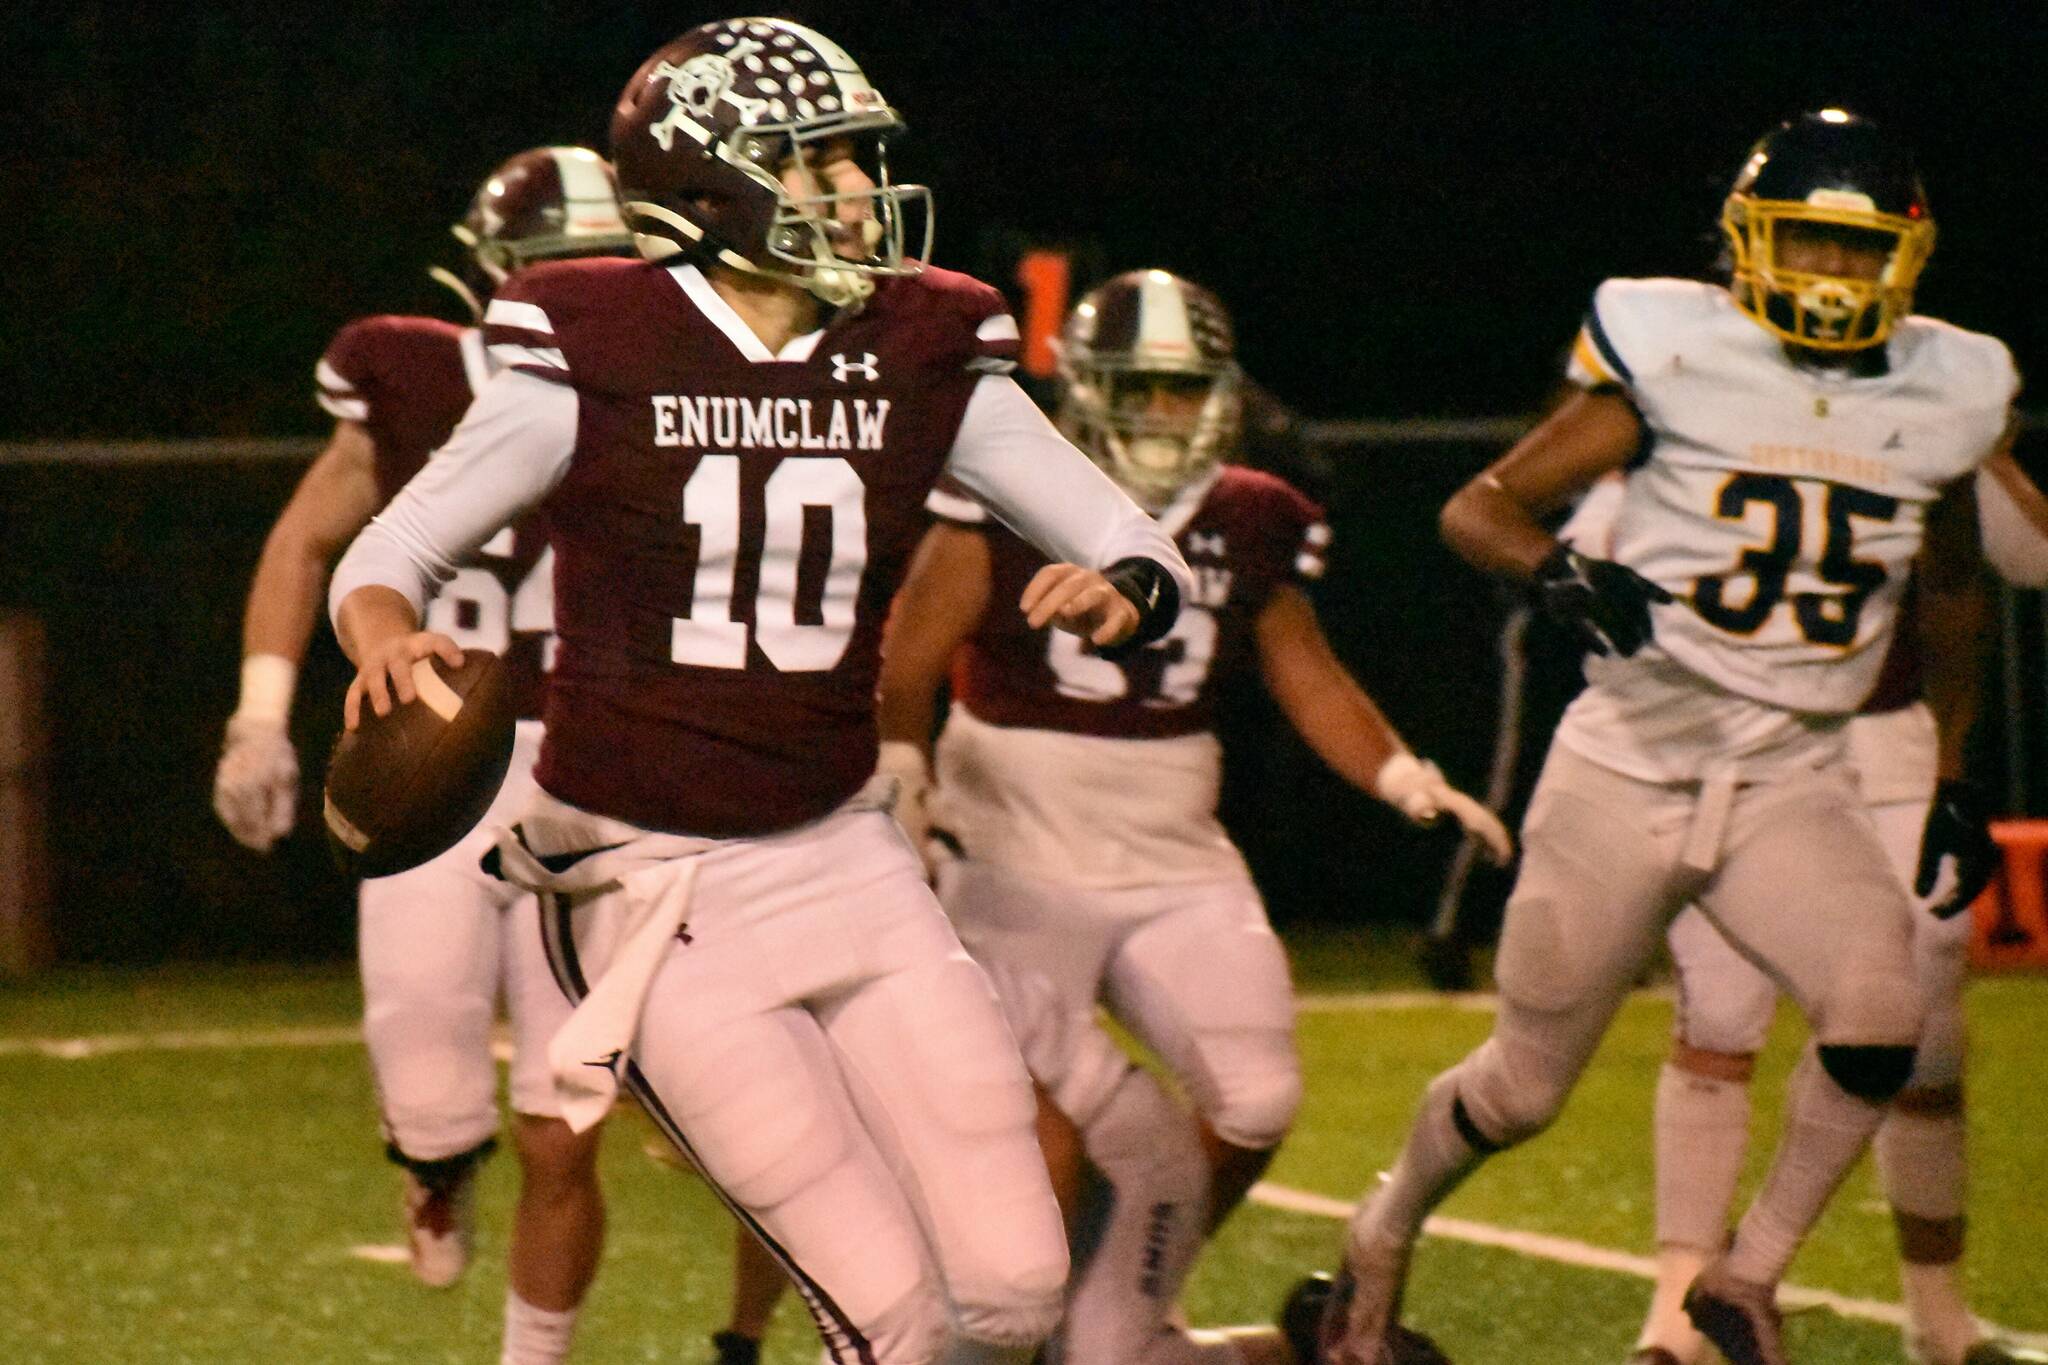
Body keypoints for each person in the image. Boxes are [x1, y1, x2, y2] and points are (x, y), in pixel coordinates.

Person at [328, 19, 1194, 1365]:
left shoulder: (925, 338)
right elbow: (391, 550)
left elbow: (1119, 526)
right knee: (892, 1317)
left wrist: (1132, 585)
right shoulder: (592, 335)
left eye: (859, 156)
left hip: (843, 847)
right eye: (824, 158)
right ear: (715, 181)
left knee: (1017, 1289)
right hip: (646, 879)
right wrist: (382, 632)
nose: (857, 187)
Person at [1311, 109, 2022, 1365]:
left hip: (1787, 773)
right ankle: (1381, 1228)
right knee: (1523, 1088)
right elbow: (1477, 508)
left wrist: (1953, 769)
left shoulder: (1946, 383)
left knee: (1876, 1015)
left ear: (1906, 261)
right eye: (1804, 245)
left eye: (1856, 256)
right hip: (1628, 764)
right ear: (1746, 245)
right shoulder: (1674, 347)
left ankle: (1742, 1284)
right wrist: (1553, 572)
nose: (1829, 277)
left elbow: (1954, 585)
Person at [863, 269, 1509, 1365]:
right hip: (1012, 845)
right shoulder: (1004, 489)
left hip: (1171, 842)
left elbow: (1303, 672)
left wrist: (1404, 775)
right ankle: (970, 1326)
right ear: (1086, 388)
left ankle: (1118, 1302)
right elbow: (907, 658)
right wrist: (900, 776)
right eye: (1142, 387)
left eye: (1182, 388)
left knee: (1255, 1098)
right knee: (1039, 1143)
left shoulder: (1249, 512)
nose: (1163, 411)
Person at [211, 147, 634, 1338]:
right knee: (432, 1070)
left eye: (603, 268)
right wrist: (258, 712)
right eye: (553, 268)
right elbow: (305, 544)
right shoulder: (404, 370)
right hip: (435, 764)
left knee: (569, 1124)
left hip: (595, 767)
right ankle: (435, 1168)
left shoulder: (674, 389)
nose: (574, 293)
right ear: (492, 275)